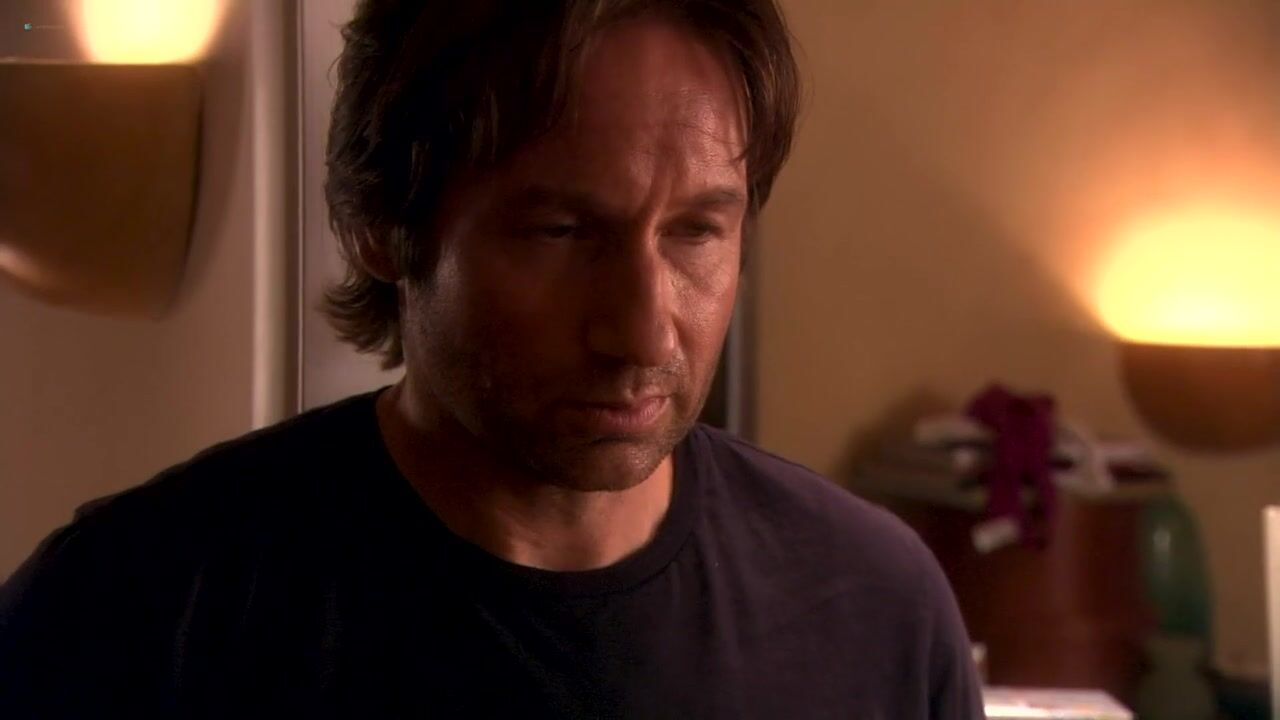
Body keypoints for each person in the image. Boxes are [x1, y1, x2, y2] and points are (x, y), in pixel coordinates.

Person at [0, 1, 984, 716]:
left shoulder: (872, 607)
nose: (644, 334)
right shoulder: (138, 613)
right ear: (382, 226)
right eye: (561, 232)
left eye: (694, 233)